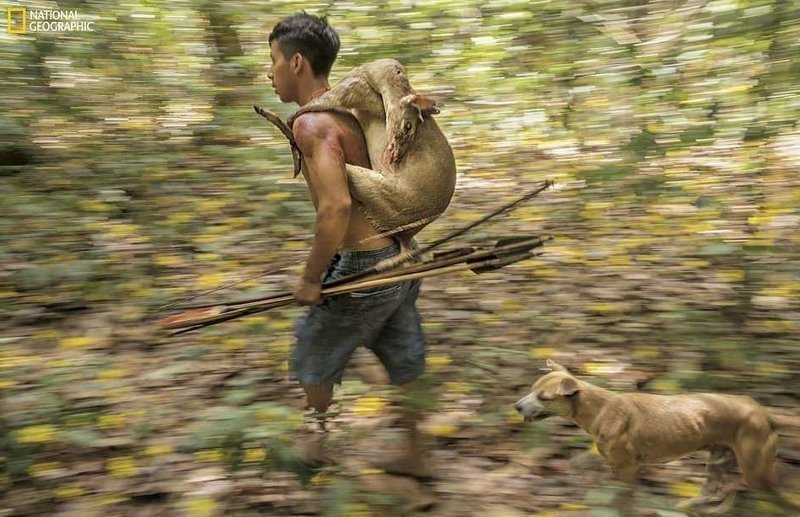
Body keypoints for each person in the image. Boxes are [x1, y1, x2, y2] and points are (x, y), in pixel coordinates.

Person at [267, 12, 432, 478]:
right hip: (402, 257)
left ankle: (314, 447)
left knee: (310, 355)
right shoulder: (353, 113)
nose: (269, 71)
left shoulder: (313, 124)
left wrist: (310, 277)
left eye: (273, 60)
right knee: (403, 357)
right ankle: (416, 451)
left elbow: (335, 208)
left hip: (365, 266)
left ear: (297, 62)